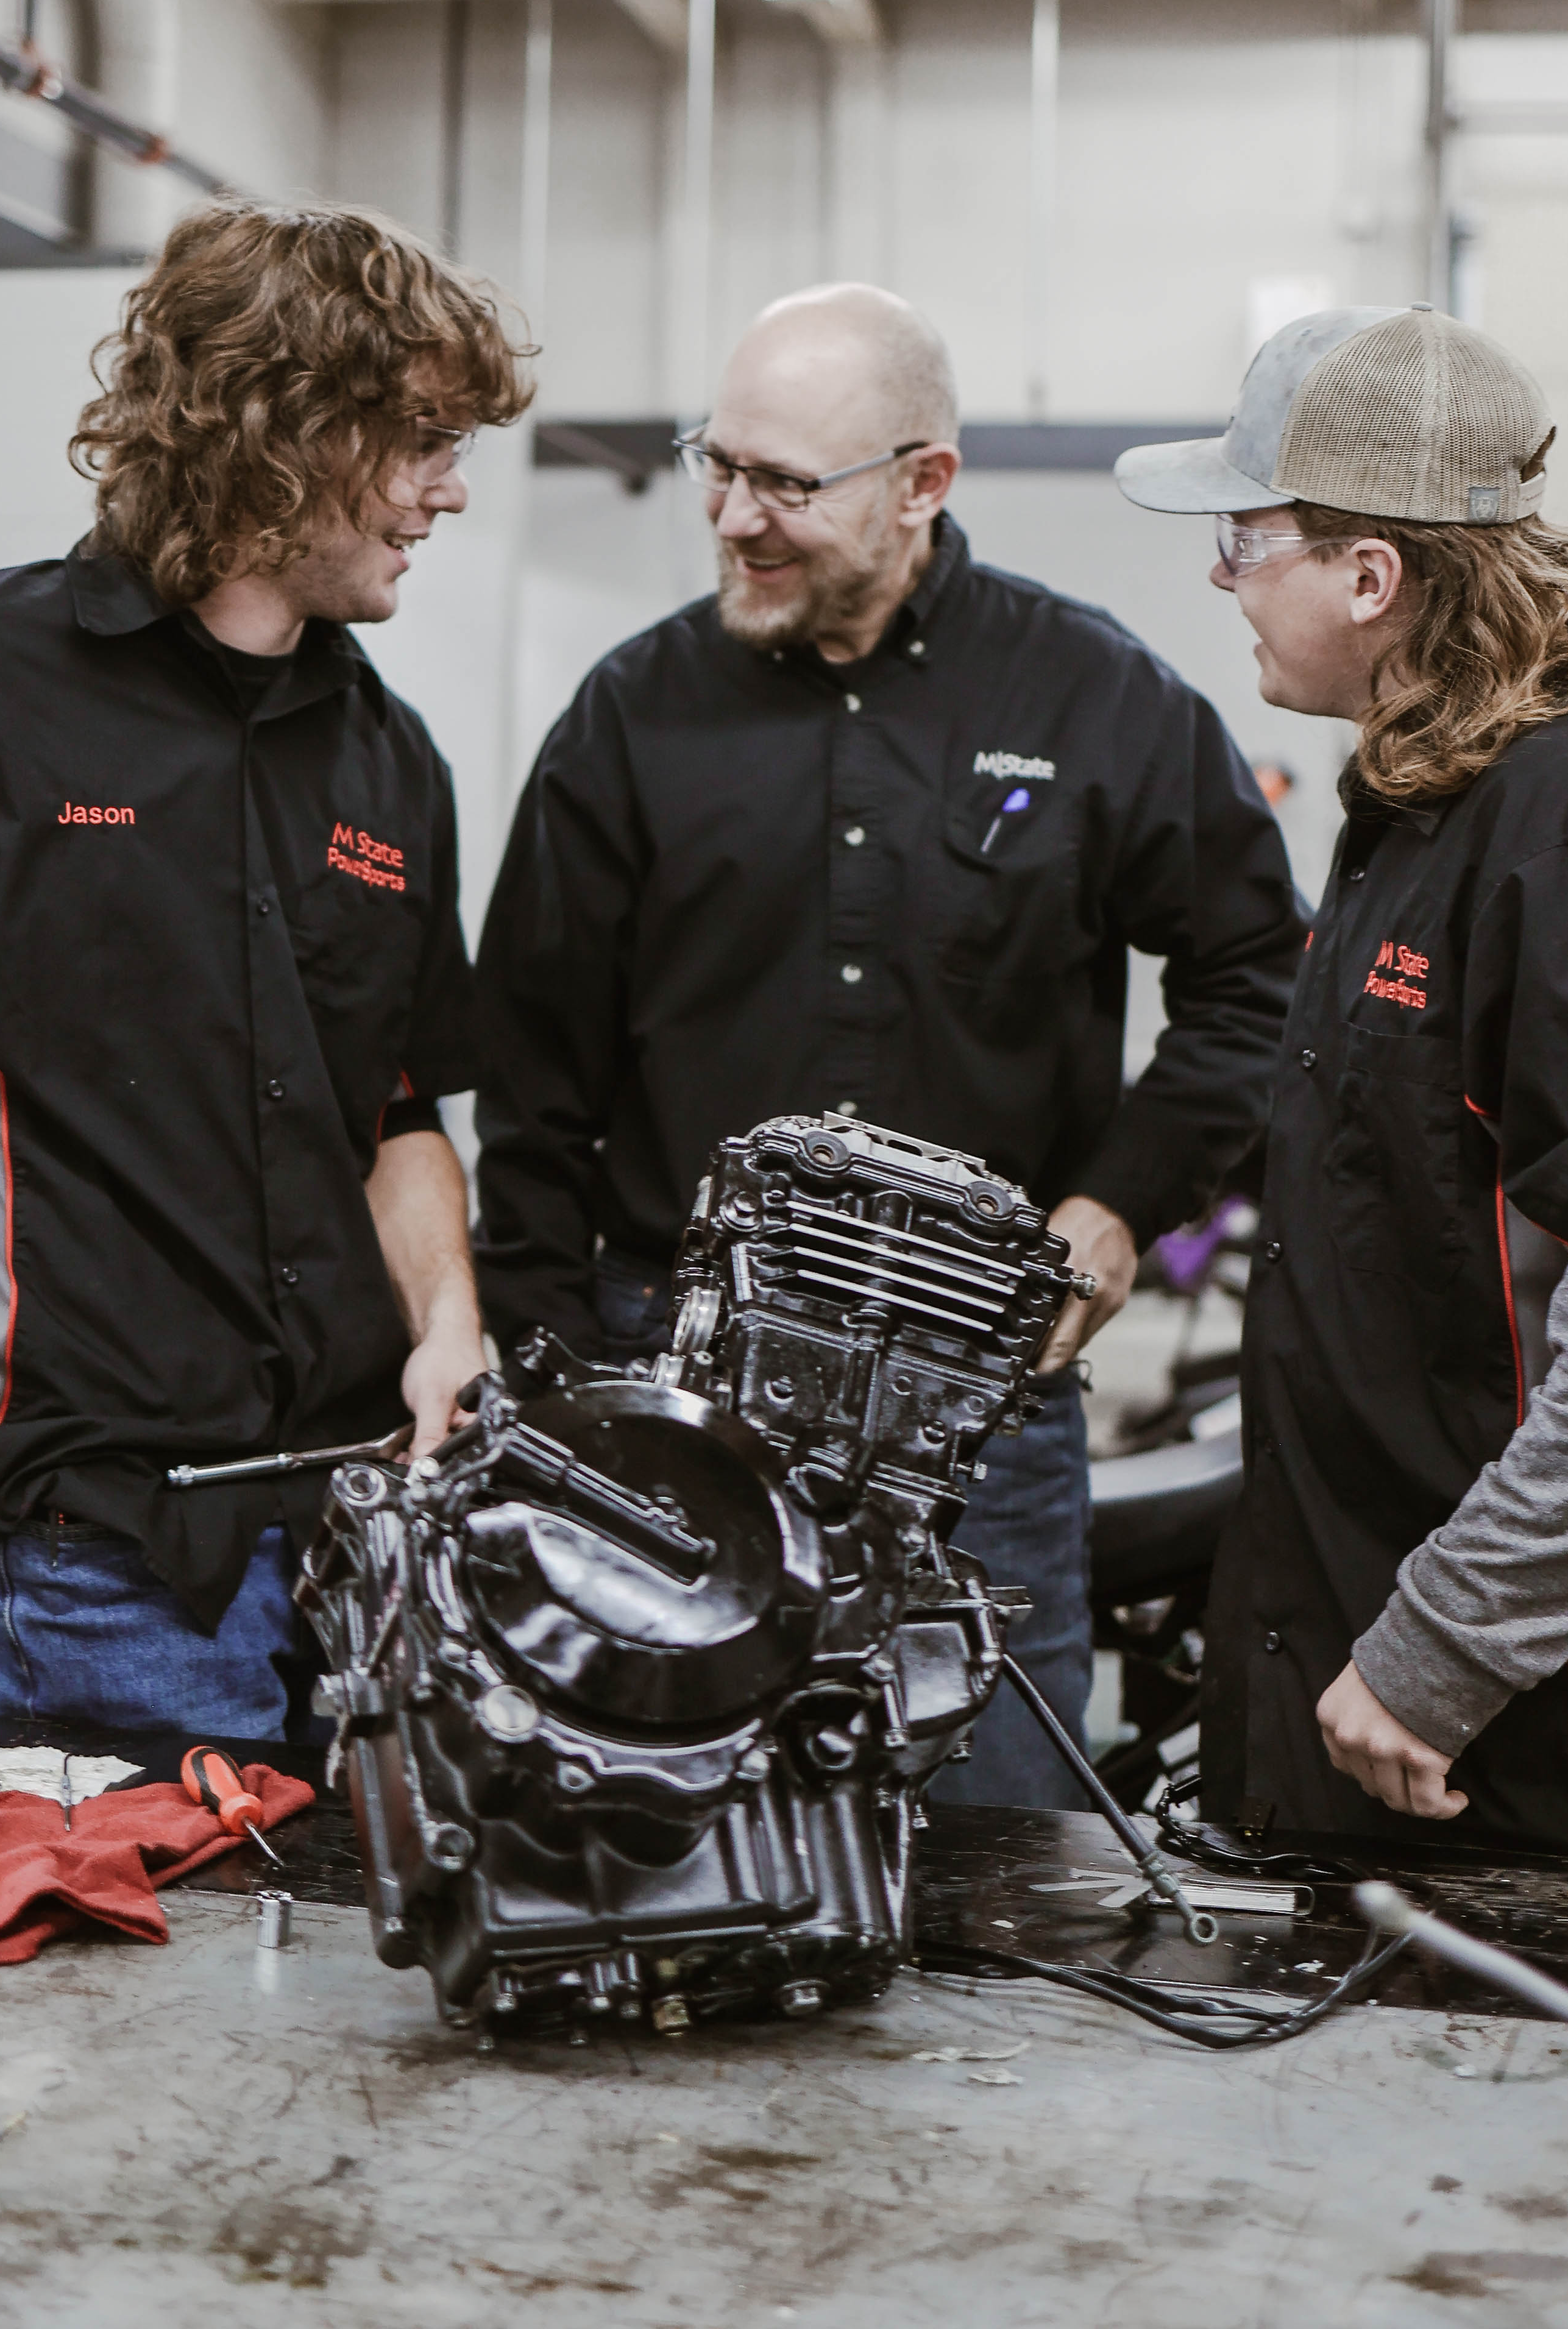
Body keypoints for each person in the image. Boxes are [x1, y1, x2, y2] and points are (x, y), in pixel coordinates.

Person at [0, 204, 531, 1737]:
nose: (448, 492)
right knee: (124, 1987)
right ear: (286, 428)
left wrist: (450, 1321)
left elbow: (400, 1111)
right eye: (419, 441)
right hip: (79, 1555)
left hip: (363, 1542)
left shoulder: (389, 755)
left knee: (352, 1981)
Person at [475, 282, 1304, 1804]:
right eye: (715, 465)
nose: (731, 516)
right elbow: (533, 1089)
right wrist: (561, 1400)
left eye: (786, 482)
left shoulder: (1096, 697)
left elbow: (1260, 975)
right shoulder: (630, 720)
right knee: (669, 1822)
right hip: (678, 1377)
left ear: (924, 483)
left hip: (974, 1395)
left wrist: (1124, 1201)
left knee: (993, 1846)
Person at [1115, 305, 1568, 1857]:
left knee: (1555, 2093)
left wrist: (1443, 1650)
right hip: (1369, 1673)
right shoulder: (1426, 801)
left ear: (1370, 574)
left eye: (1244, 536)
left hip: (1519, 1726)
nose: (1225, 579)